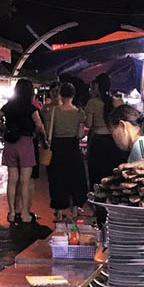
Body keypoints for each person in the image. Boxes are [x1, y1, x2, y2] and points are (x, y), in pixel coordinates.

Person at [0, 79, 46, 224]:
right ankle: (24, 214)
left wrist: (5, 129)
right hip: (26, 143)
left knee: (12, 180)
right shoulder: (31, 108)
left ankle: (12, 213)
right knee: (25, 181)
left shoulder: (9, 106)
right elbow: (39, 125)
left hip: (10, 144)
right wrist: (37, 133)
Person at [47, 82, 88, 219]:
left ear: (61, 94)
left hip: (57, 147)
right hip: (72, 147)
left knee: (57, 179)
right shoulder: (79, 113)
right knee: (75, 178)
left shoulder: (54, 111)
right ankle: (75, 210)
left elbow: (49, 131)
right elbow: (80, 134)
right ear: (73, 95)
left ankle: (58, 212)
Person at [83, 72, 125, 187]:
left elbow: (88, 124)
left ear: (97, 86)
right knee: (113, 174)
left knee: (97, 175)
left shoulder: (92, 103)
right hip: (114, 142)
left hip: (98, 142)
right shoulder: (118, 102)